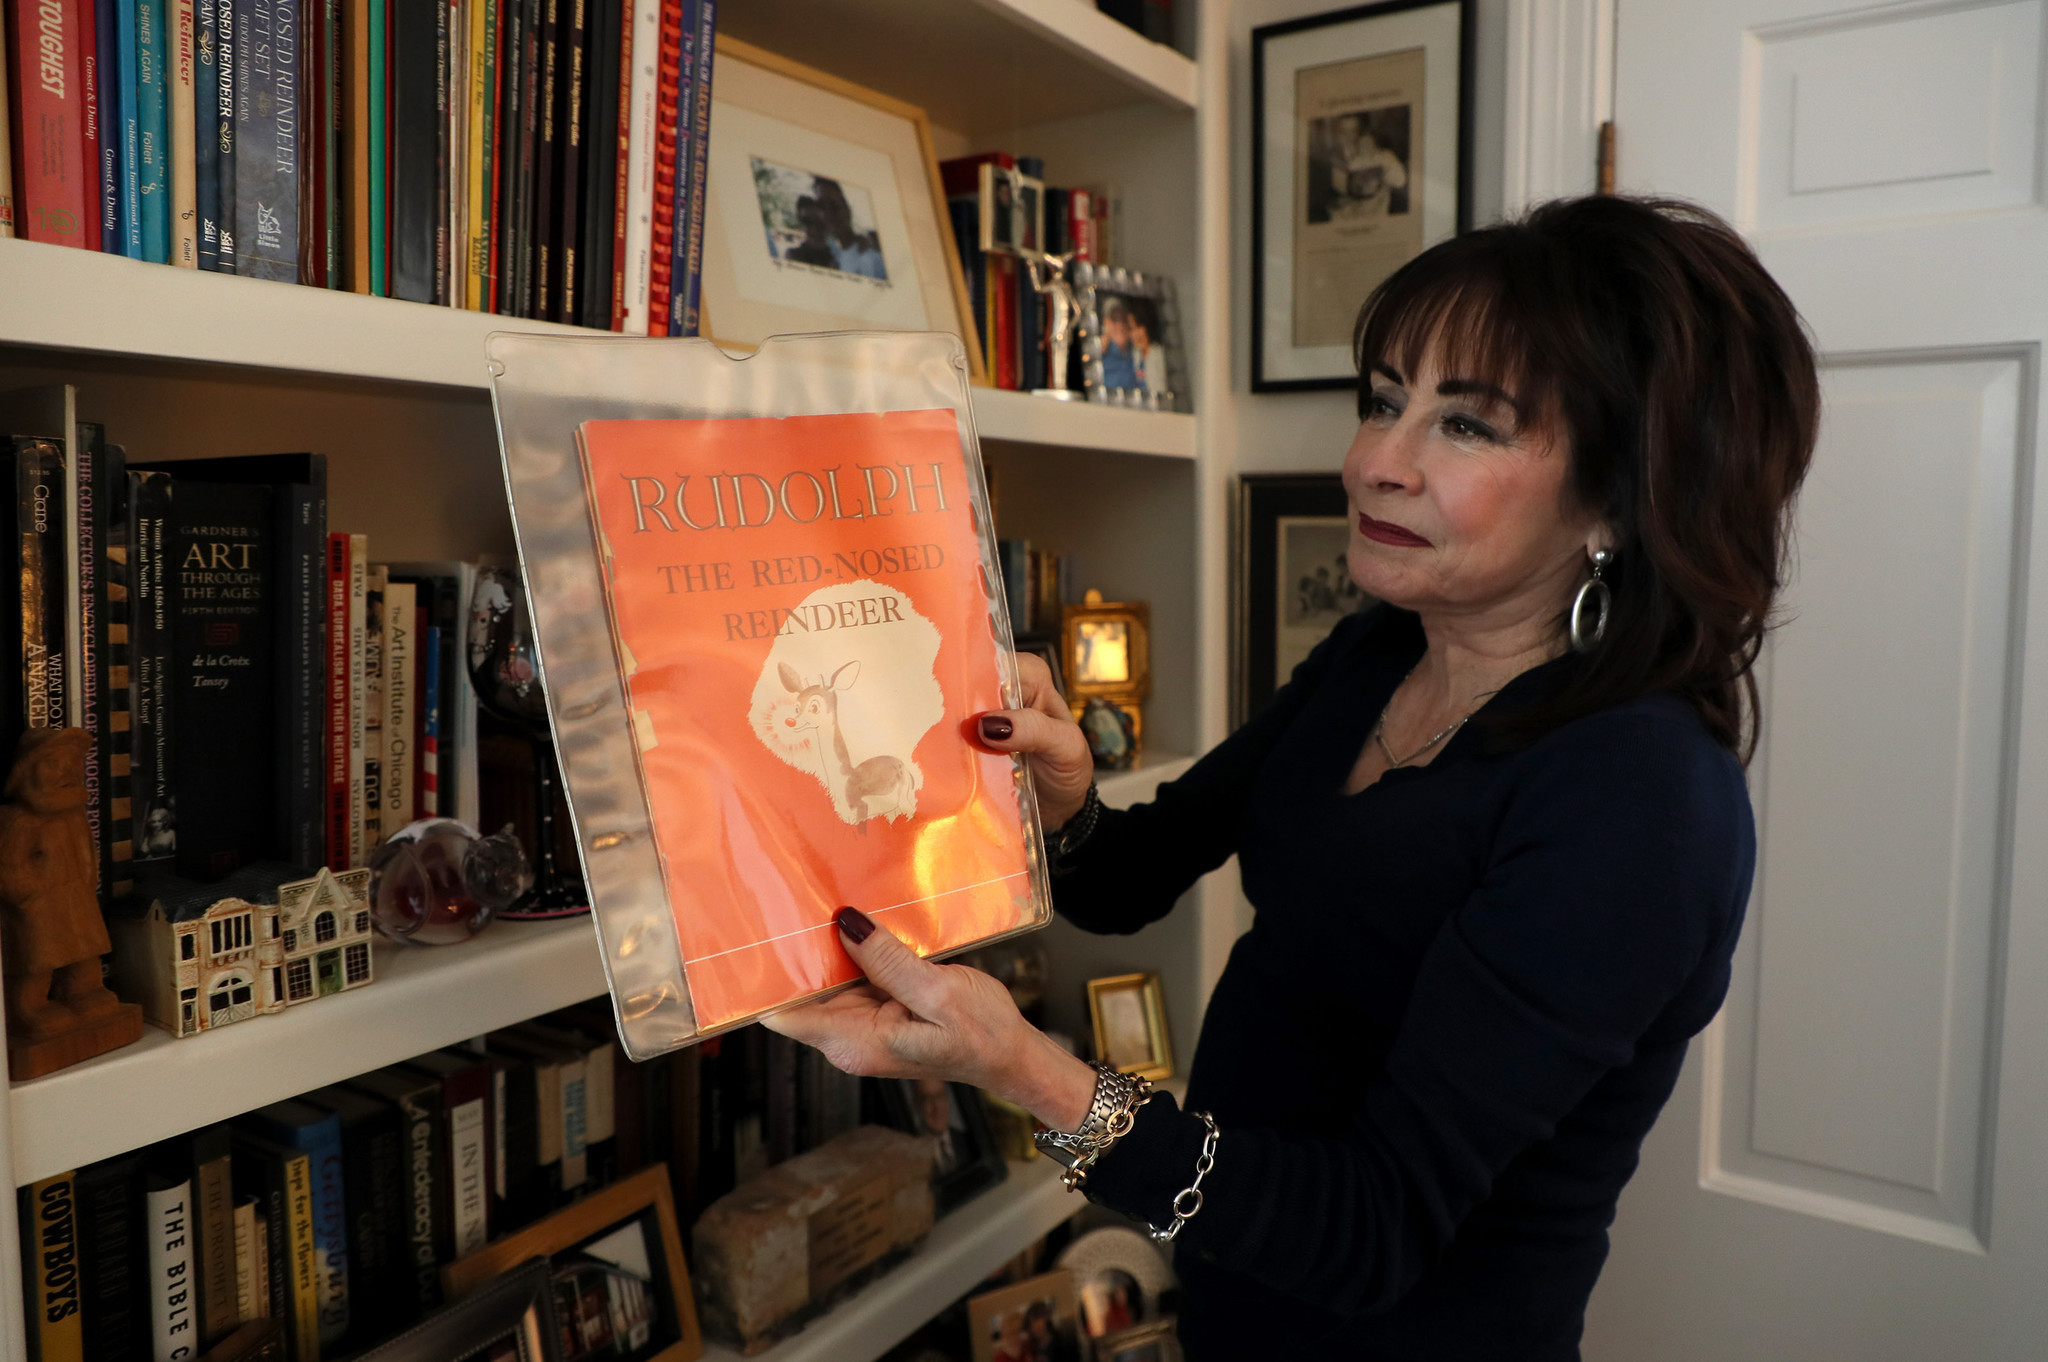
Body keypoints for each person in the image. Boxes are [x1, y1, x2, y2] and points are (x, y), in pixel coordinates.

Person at [765, 196, 1819, 1359]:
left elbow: (1368, 1233)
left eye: (1465, 425)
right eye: (1383, 401)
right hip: (1233, 1303)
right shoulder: (1381, 650)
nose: (1374, 463)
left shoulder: (1642, 798)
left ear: (1619, 499)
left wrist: (1019, 1069)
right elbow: (1130, 879)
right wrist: (1059, 806)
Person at [812, 177, 887, 279]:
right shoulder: (834, 256)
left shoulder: (871, 258)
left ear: (847, 209)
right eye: (821, 206)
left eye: (834, 204)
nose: (829, 213)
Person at [781, 195, 836, 268]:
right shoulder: (794, 256)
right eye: (807, 221)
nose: (813, 229)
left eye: (819, 222)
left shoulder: (838, 258)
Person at [1097, 299, 1139, 390]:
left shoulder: (1134, 353)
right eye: (1115, 320)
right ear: (1106, 323)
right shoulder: (1101, 349)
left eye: (1124, 320)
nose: (1120, 325)